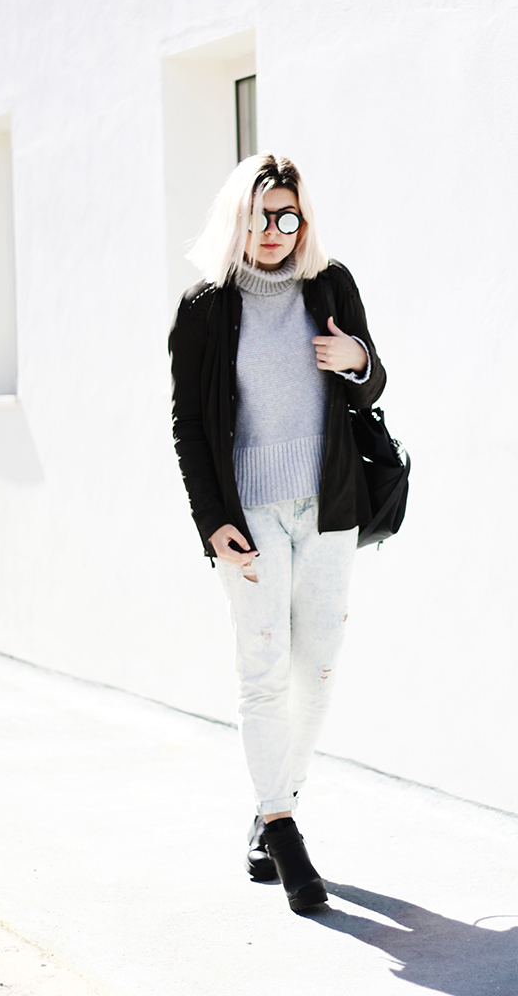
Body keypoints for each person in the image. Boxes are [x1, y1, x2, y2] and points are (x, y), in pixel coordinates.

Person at [168, 154, 385, 913]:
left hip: (329, 507)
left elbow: (373, 385)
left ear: (303, 221)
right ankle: (286, 834)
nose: (275, 231)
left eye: (289, 216)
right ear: (239, 219)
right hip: (250, 515)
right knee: (262, 671)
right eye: (262, 216)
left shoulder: (331, 285)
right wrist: (212, 521)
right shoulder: (204, 308)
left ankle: (271, 805)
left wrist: (357, 359)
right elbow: (189, 426)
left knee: (316, 672)